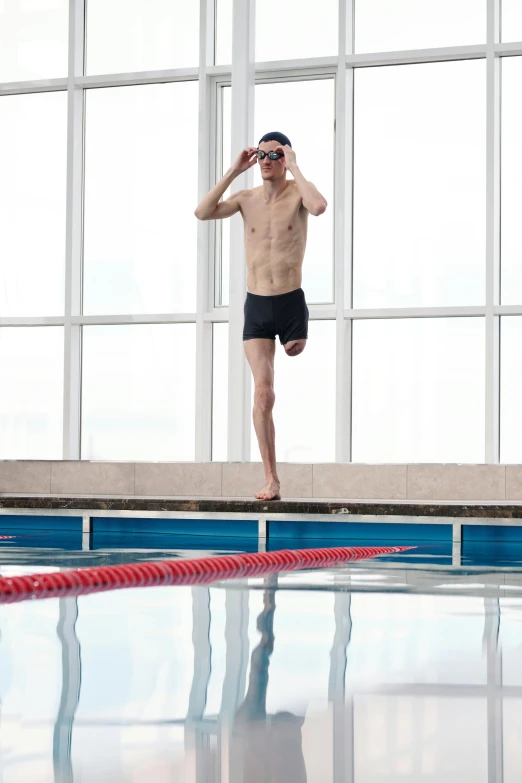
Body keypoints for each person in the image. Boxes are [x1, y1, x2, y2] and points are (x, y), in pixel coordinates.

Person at [195, 132, 328, 501]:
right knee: (263, 395)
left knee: (294, 352)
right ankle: (272, 480)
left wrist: (296, 165)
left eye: (275, 154)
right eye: (262, 154)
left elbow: (318, 207)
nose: (267, 160)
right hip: (256, 305)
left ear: (284, 158)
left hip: (289, 303)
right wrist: (234, 171)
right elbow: (202, 212)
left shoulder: (299, 194)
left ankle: (296, 335)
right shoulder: (245, 199)